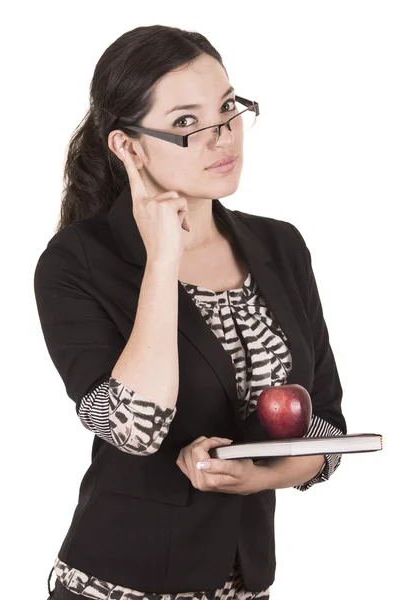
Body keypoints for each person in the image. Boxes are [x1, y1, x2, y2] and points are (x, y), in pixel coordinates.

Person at [34, 24, 347, 600]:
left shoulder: (281, 247)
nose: (223, 136)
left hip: (245, 584)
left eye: (228, 108)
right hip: (119, 583)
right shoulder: (76, 261)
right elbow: (133, 429)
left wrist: (260, 478)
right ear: (128, 146)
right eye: (185, 123)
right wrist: (162, 258)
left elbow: (324, 427)